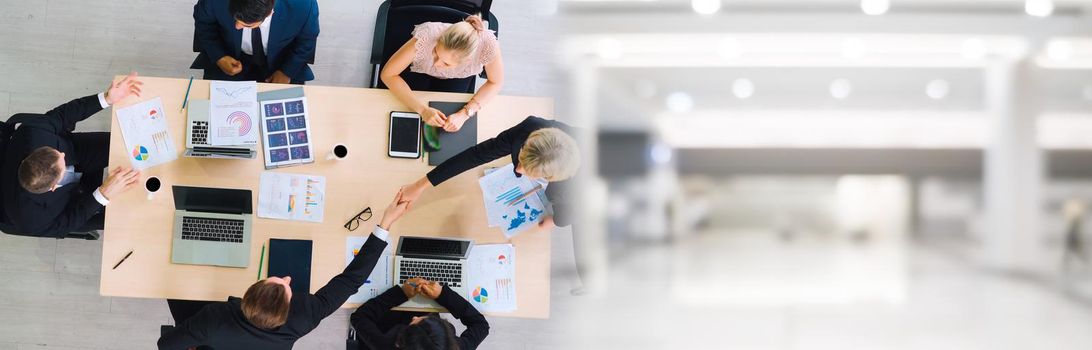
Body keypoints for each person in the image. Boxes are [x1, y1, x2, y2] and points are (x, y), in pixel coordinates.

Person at [157, 190, 413, 350]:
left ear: (249, 292)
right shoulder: (302, 318)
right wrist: (385, 223)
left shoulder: (213, 319)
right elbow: (350, 281)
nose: (288, 278)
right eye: (286, 287)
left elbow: (165, 345)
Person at [398, 116, 586, 291]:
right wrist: (420, 186)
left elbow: (579, 212)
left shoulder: (577, 190)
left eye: (529, 171)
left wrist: (556, 220)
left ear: (552, 177)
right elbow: (477, 155)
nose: (518, 170)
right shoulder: (531, 127)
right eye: (521, 157)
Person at [1, 73, 144, 238]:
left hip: (77, 152)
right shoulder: (31, 219)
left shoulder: (33, 132)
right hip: (70, 205)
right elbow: (68, 223)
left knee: (127, 144)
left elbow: (64, 115)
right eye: (61, 160)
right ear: (53, 187)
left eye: (56, 153)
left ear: (32, 155)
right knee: (128, 215)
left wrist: (107, 98)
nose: (62, 154)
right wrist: (104, 192)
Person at [380, 15, 504, 132]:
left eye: (446, 63)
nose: (437, 64)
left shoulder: (489, 46)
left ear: (467, 61)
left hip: (456, 78)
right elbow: (388, 74)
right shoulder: (428, 36)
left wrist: (464, 114)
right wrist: (422, 110)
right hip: (421, 71)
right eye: (435, 52)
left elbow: (495, 82)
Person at [192, 0, 320, 84]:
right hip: (229, 54)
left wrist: (286, 72)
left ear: (269, 13)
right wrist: (219, 56)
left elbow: (307, 40)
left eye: (246, 25)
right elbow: (204, 25)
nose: (237, 26)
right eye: (236, 20)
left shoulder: (303, 5)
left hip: (282, 62)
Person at [350, 278, 489, 349]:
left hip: (388, 321)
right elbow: (481, 325)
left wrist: (400, 293)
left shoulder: (387, 345)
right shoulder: (456, 346)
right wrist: (443, 295)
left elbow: (358, 317)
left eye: (414, 322)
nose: (415, 317)